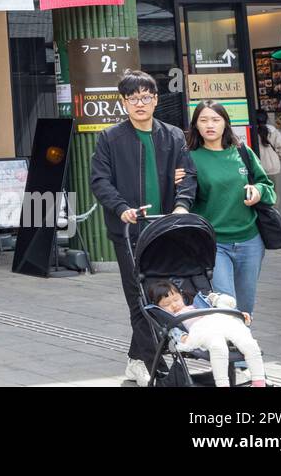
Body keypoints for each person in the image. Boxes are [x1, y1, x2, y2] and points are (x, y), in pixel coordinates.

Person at [90, 69, 197, 387]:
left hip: (166, 228)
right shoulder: (110, 138)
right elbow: (99, 180)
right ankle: (152, 361)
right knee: (139, 296)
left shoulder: (174, 135)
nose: (141, 103)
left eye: (147, 97)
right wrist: (121, 208)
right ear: (123, 102)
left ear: (156, 100)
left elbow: (188, 175)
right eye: (133, 98)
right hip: (129, 231)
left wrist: (182, 205)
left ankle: (138, 360)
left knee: (165, 294)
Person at [186, 101, 276, 316]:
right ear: (195, 125)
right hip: (214, 243)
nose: (210, 125)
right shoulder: (190, 157)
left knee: (245, 306)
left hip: (250, 240)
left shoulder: (242, 152)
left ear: (225, 123)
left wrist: (258, 191)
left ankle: (243, 346)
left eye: (216, 120)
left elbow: (268, 187)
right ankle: (228, 347)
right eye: (204, 120)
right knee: (225, 303)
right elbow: (184, 194)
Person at [149, 281, 266, 387]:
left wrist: (238, 314)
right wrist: (183, 337)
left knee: (248, 343)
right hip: (204, 332)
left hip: (223, 323)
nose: (174, 305)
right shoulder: (173, 319)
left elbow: (218, 303)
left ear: (181, 295)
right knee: (218, 347)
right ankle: (222, 384)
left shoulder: (198, 303)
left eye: (176, 300)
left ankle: (259, 382)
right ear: (159, 308)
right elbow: (174, 332)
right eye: (166, 304)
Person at [253, 109, 281, 180]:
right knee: (273, 191)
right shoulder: (273, 131)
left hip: (256, 170)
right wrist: (274, 158)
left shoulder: (250, 131)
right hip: (272, 169)